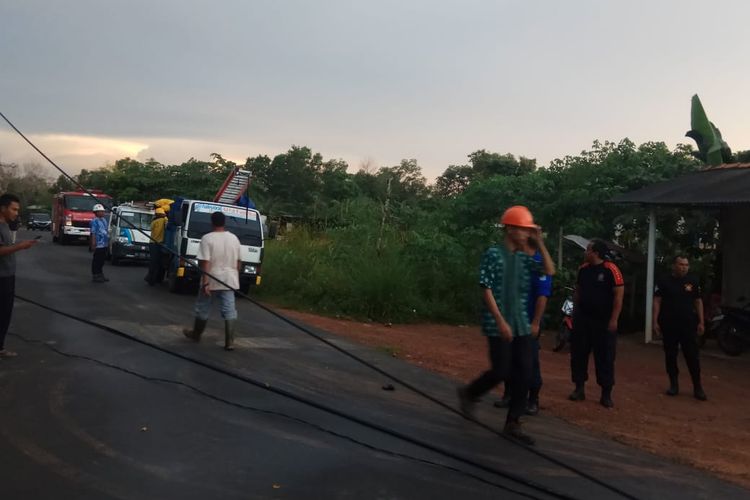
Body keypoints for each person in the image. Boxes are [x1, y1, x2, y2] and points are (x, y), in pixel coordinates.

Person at [457, 205, 555, 445]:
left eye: (528, 230)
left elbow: (549, 270)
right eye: (523, 230)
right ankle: (470, 393)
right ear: (510, 229)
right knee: (501, 370)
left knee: (525, 371)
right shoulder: (493, 254)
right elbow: (486, 287)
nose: (526, 234)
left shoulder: (525, 257)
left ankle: (513, 422)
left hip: (521, 323)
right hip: (497, 323)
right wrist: (500, 320)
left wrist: (539, 242)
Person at [494, 248, 553, 415]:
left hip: (528, 321)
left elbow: (542, 296)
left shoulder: (540, 264)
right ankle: (508, 394)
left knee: (530, 360)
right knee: (508, 356)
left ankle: (533, 399)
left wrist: (535, 323)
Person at [568, 240, 624, 408]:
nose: (586, 252)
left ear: (596, 253)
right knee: (578, 354)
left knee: (605, 357)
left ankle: (606, 393)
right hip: (583, 319)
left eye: (588, 250)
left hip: (603, 322)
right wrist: (573, 312)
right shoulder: (583, 269)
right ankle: (579, 388)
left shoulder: (611, 270)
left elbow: (618, 297)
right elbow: (577, 291)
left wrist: (614, 319)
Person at [183, 211, 241, 351]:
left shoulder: (207, 238)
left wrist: (206, 282)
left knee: (203, 307)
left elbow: (205, 262)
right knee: (229, 310)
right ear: (224, 222)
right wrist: (234, 275)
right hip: (230, 279)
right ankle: (230, 342)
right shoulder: (234, 238)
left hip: (212, 278)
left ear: (212, 222)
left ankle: (196, 334)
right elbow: (239, 262)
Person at [653, 256, 707, 401]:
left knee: (692, 356)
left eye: (686, 264)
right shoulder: (664, 281)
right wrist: (655, 321)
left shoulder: (693, 281)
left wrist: (701, 321)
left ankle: (698, 387)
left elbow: (698, 301)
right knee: (670, 355)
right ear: (674, 266)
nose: (684, 267)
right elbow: (657, 301)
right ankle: (674, 385)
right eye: (681, 264)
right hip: (669, 324)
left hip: (688, 325)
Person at [0, 193, 38, 358]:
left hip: (8, 275)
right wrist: (20, 246)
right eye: (13, 209)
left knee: (5, 313)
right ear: (3, 208)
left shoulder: (5, 225)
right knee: (2, 313)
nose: (16, 213)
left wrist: (22, 245)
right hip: (2, 278)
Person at [146, 207, 167, 286]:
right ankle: (152, 278)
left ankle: (151, 278)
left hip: (152, 243)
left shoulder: (154, 221)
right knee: (156, 262)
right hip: (158, 244)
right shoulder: (164, 220)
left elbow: (151, 228)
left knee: (153, 262)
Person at [89, 203, 110, 283]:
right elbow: (93, 233)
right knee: (96, 261)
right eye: (100, 211)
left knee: (102, 261)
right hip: (98, 244)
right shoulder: (94, 221)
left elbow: (106, 231)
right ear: (96, 212)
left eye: (103, 211)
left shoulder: (104, 220)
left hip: (104, 243)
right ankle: (95, 275)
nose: (102, 213)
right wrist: (93, 243)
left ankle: (100, 274)